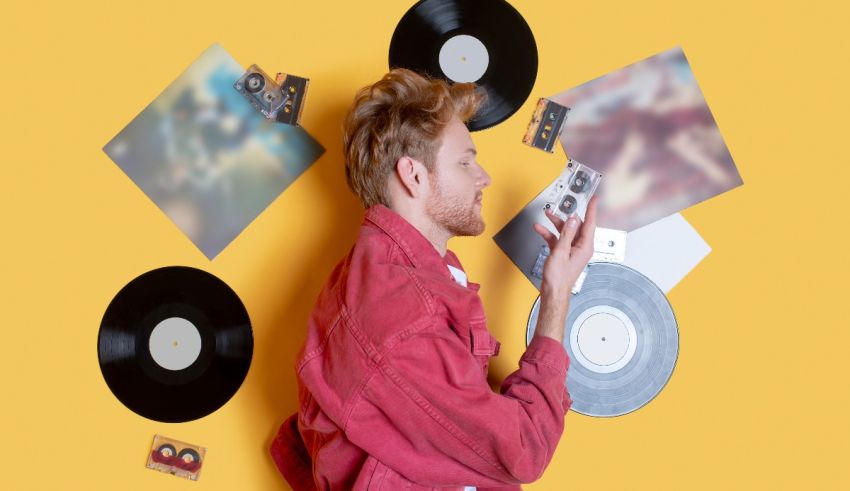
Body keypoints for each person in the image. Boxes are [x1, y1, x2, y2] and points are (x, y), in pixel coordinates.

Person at [270, 68, 597, 490]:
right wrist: (557, 295)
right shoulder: (406, 319)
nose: (484, 178)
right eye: (465, 162)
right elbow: (524, 450)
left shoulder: (387, 273)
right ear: (414, 175)